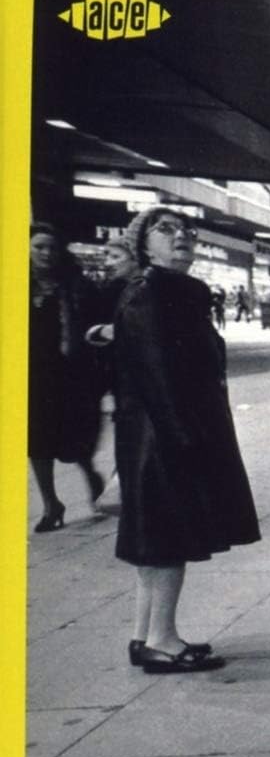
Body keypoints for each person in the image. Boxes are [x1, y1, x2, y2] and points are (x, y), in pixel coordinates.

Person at [112, 207, 260, 673]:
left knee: (155, 539)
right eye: (166, 229)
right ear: (143, 244)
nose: (181, 236)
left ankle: (144, 636)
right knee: (169, 540)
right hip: (165, 436)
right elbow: (157, 373)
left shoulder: (165, 291)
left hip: (156, 433)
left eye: (187, 230)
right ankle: (163, 641)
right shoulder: (153, 293)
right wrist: (183, 437)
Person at [27, 221, 105, 532]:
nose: (46, 253)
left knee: (76, 438)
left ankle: (91, 476)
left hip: (71, 374)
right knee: (36, 441)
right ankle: (51, 505)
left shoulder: (77, 285)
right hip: (32, 376)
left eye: (52, 247)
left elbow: (96, 327)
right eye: (39, 247)